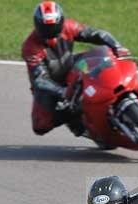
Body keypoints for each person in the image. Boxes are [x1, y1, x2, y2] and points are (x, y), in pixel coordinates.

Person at [22, 2, 130, 137]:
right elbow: (40, 80)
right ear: (37, 25)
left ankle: (114, 90)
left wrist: (117, 46)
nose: (51, 32)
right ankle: (77, 123)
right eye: (46, 27)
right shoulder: (30, 47)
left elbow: (96, 34)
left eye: (54, 26)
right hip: (50, 85)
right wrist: (62, 91)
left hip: (73, 68)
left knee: (100, 59)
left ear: (60, 21)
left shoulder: (68, 26)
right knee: (40, 126)